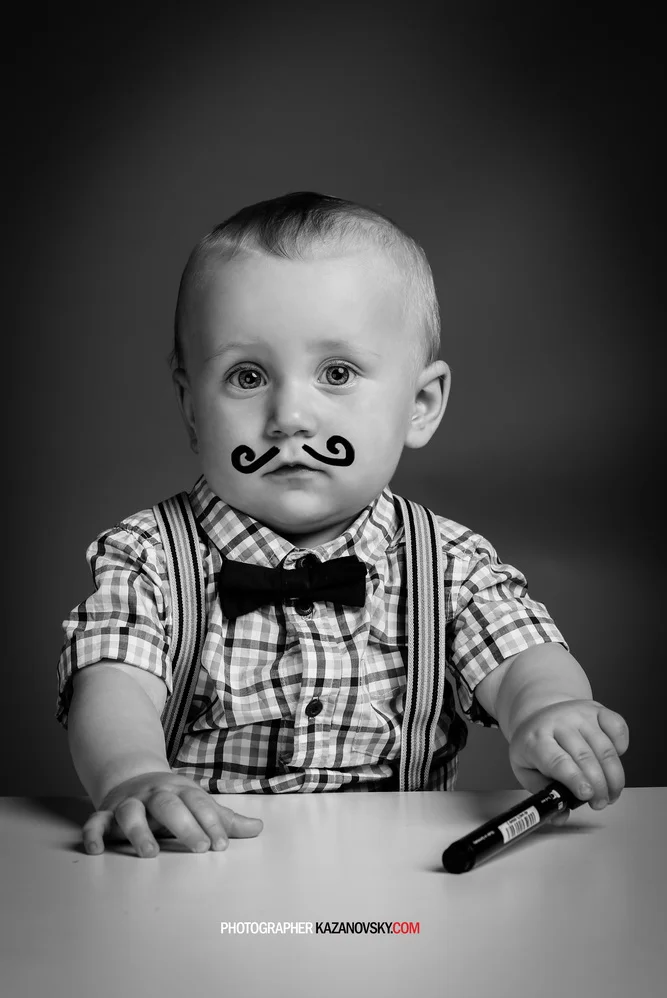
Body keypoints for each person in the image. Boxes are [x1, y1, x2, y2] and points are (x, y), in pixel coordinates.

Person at [57, 191, 629, 858]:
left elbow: (522, 656)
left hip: (401, 878)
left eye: (336, 373)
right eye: (246, 376)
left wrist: (545, 712)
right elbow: (113, 683)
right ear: (190, 408)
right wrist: (133, 773)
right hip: (202, 866)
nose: (289, 416)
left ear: (419, 405)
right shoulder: (149, 557)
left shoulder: (447, 561)